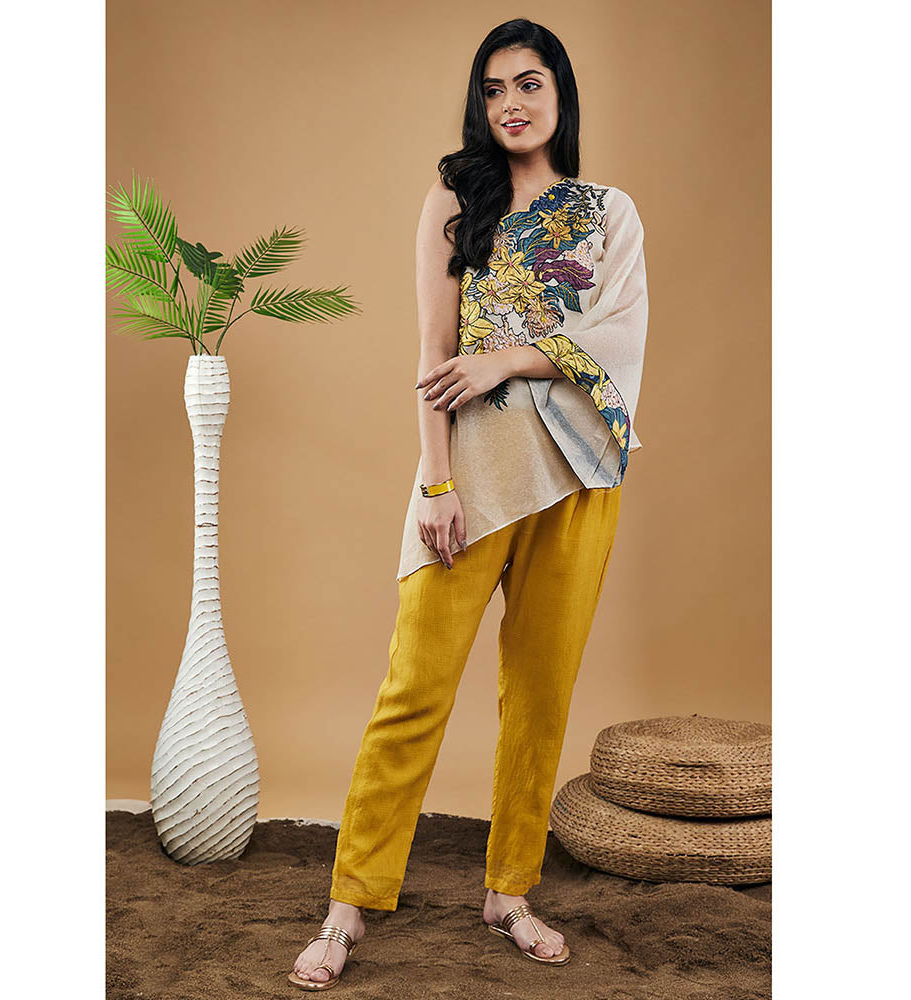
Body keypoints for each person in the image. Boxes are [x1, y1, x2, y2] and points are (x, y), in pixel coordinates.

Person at [289, 16, 648, 991]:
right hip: (472, 477)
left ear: (561, 94)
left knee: (539, 696)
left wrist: (507, 359)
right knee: (413, 691)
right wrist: (437, 482)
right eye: (493, 89)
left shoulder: (607, 211)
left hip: (578, 477)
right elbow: (432, 354)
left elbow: (619, 335)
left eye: (529, 84)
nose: (511, 104)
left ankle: (509, 892)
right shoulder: (455, 200)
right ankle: (348, 904)